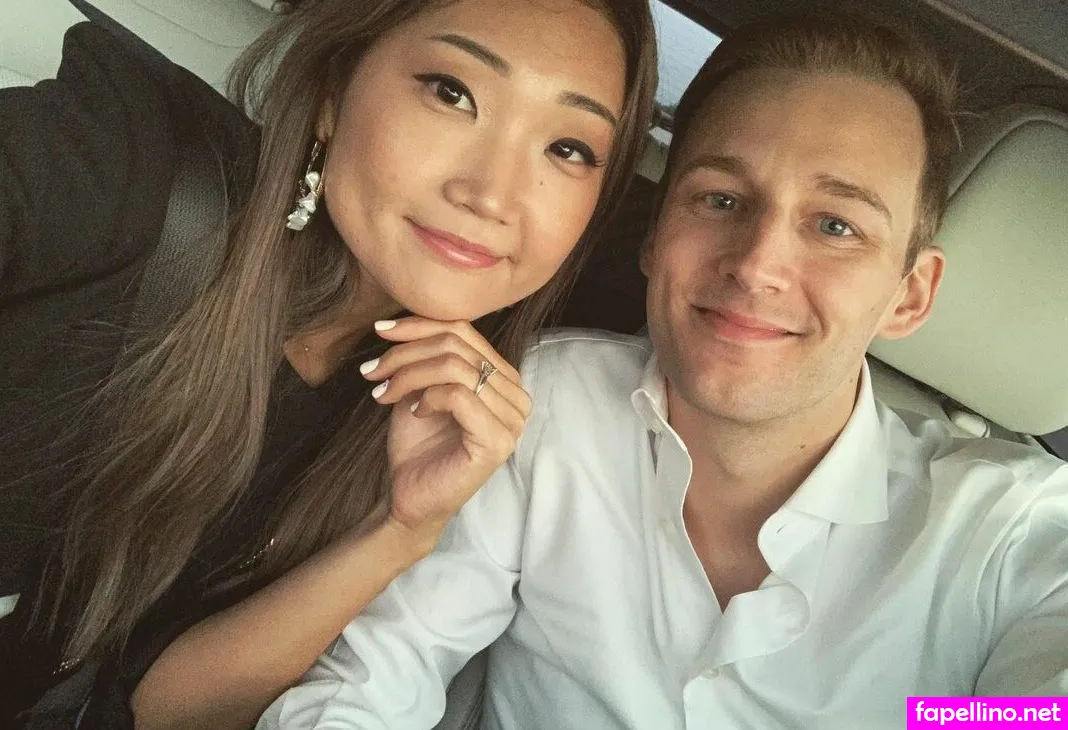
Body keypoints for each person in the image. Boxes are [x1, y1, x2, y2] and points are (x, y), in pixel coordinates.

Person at [257, 11, 1068, 730]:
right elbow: (374, 682)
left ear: (909, 294)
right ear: (654, 236)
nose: (757, 265)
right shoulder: (539, 406)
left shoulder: (1009, 538)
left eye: (835, 226)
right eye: (720, 200)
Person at [0, 0, 658, 727]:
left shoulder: (420, 426)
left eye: (568, 149)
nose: (492, 194)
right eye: (452, 92)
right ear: (335, 94)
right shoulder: (122, 162)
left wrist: (402, 531)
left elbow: (157, 712)